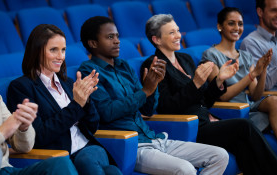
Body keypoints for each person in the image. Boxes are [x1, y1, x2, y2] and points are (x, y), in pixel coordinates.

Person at [78, 16, 229, 175]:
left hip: (153, 138)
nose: (117, 41)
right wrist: (145, 91)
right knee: (185, 170)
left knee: (219, 156)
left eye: (117, 36)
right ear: (93, 43)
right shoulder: (89, 71)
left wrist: (154, 85)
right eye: (110, 37)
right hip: (129, 146)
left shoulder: (124, 66)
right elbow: (107, 112)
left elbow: (148, 110)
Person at [141, 14, 277, 175]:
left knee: (241, 144)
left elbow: (206, 100)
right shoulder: (154, 65)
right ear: (156, 39)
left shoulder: (185, 59)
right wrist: (195, 84)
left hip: (206, 120)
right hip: (187, 127)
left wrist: (219, 80)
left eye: (177, 30)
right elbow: (166, 106)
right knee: (244, 126)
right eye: (171, 33)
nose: (178, 36)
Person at [7, 24, 122, 175]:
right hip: (59, 156)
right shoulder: (21, 87)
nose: (60, 56)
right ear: (37, 51)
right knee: (112, 172)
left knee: (86, 161)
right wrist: (76, 105)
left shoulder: (68, 83)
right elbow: (39, 135)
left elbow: (93, 126)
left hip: (88, 149)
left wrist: (86, 102)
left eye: (63, 50)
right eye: (53, 50)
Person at [0, 41, 77, 175]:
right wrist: (2, 132)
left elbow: (24, 146)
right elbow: (1, 135)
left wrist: (23, 128)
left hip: (6, 170)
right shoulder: (20, 87)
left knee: (60, 164)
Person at [203, 7, 277, 138]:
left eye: (240, 24)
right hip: (230, 111)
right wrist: (252, 75)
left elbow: (255, 95)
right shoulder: (210, 55)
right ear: (220, 26)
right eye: (231, 23)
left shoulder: (246, 56)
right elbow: (223, 96)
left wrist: (263, 69)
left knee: (274, 102)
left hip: (249, 107)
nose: (237, 28)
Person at [241, 0, 277, 91]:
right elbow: (265, 85)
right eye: (274, 10)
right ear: (260, 12)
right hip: (269, 98)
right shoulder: (250, 43)